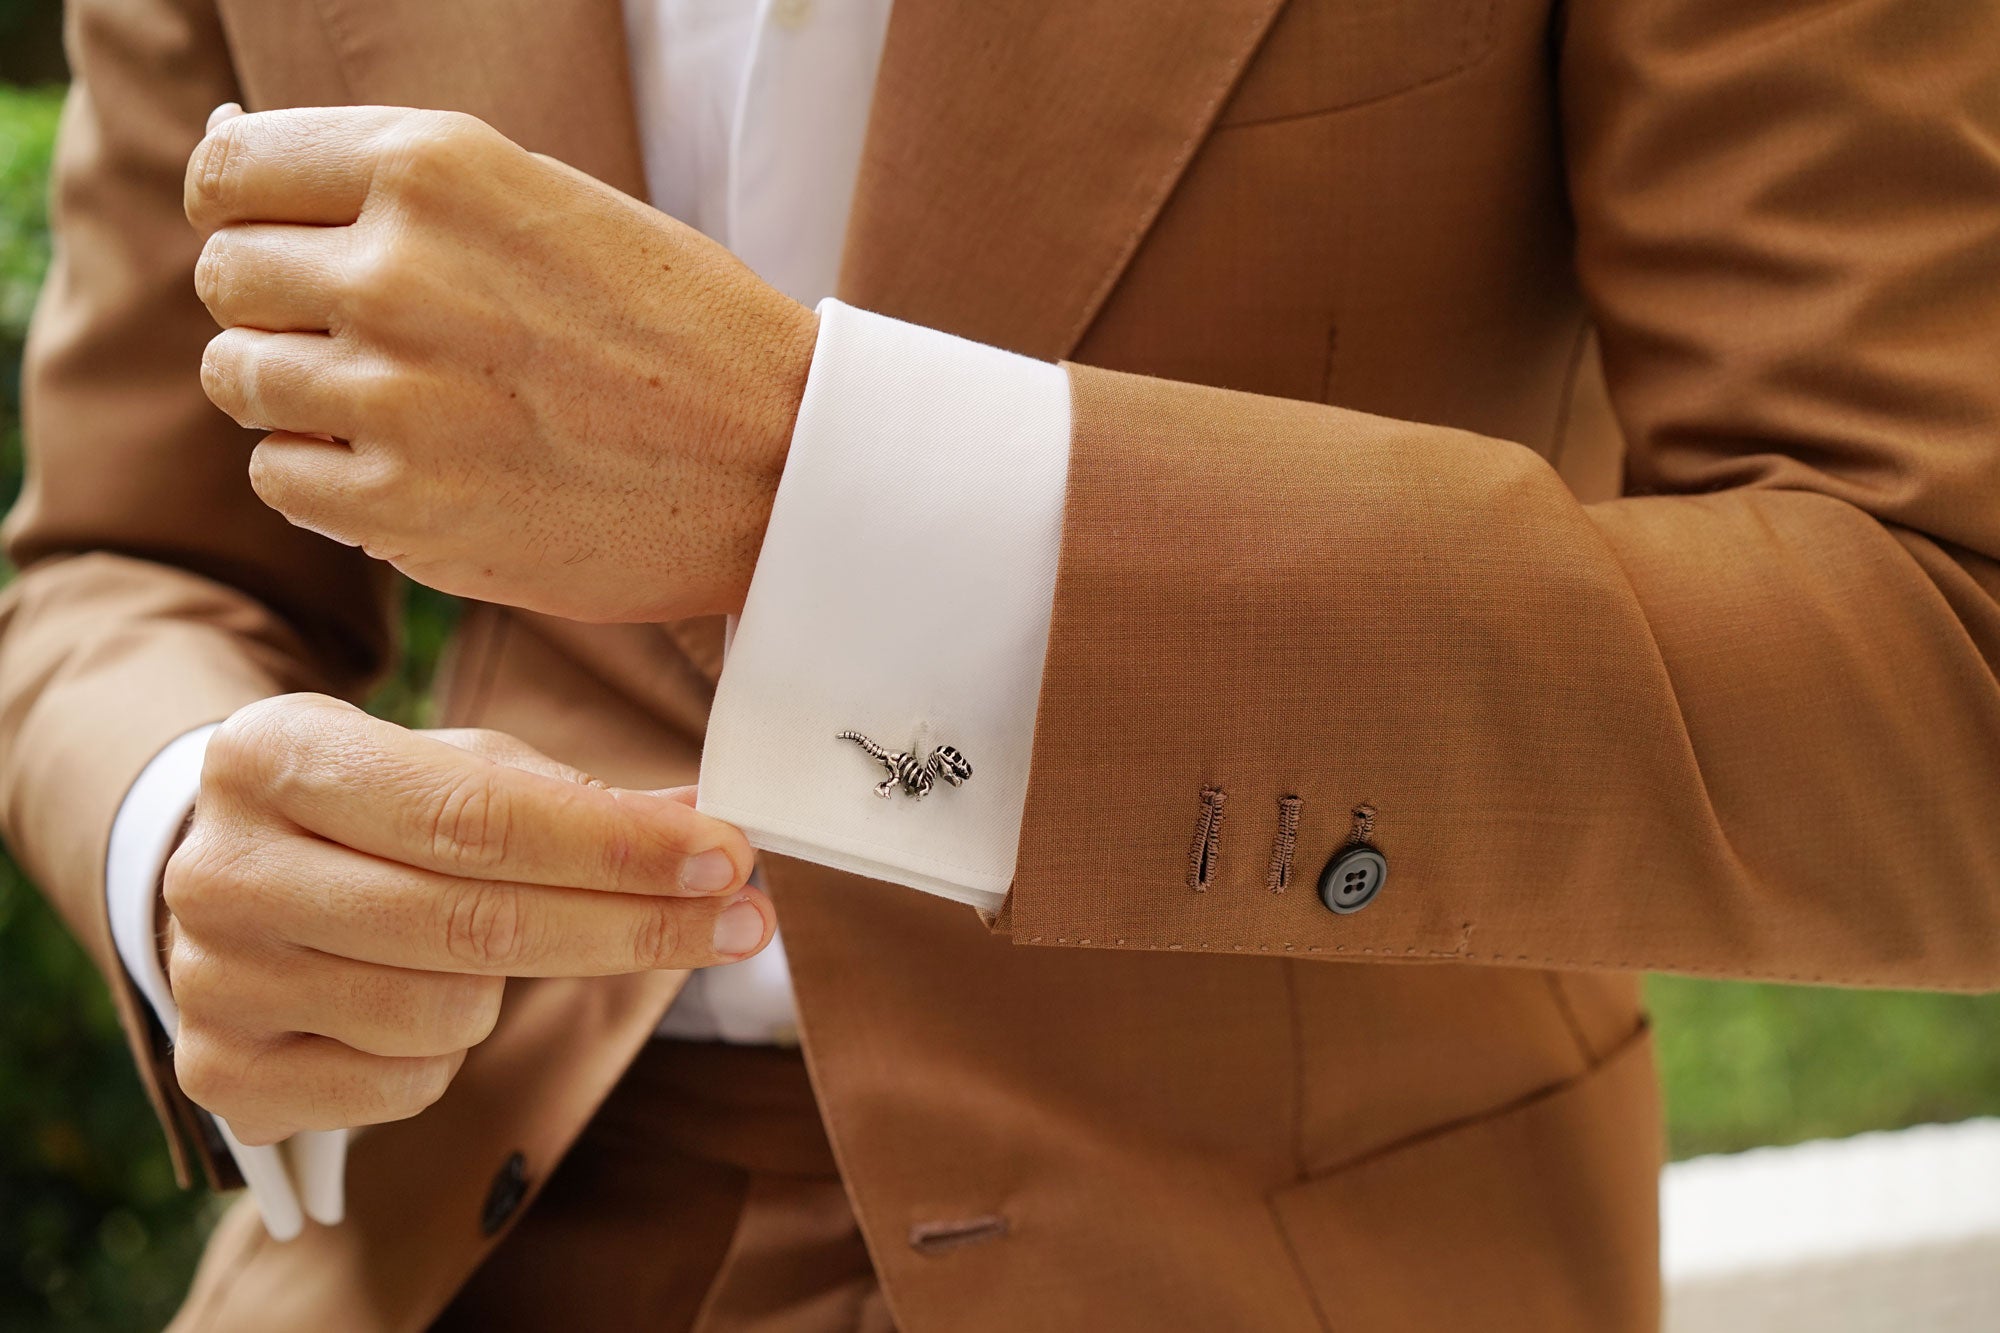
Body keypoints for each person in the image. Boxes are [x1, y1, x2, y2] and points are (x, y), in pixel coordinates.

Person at [4, 0, 1997, 1328]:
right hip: (432, 1246)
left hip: (1278, 1258)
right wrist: (188, 837)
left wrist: (819, 481)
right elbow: (114, 556)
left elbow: (1941, 667)